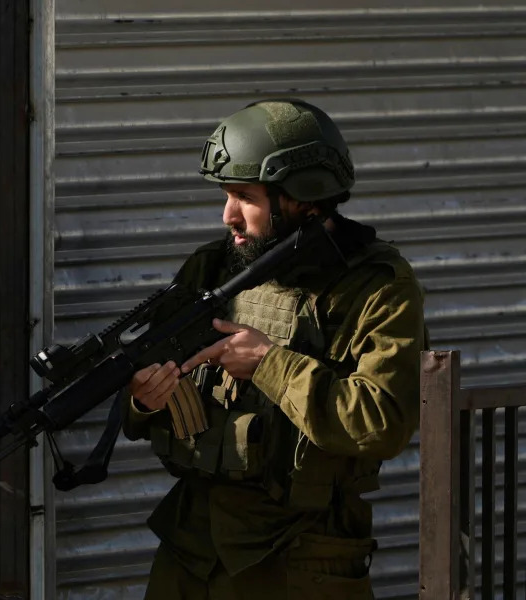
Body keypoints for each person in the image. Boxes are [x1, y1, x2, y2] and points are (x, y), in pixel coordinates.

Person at [121, 98, 429, 599]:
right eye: (225, 196)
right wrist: (142, 399)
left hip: (300, 555)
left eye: (244, 197)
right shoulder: (212, 269)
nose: (228, 217)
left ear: (301, 198)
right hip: (192, 546)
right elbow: (141, 394)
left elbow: (381, 422)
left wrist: (269, 363)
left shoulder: (377, 288)